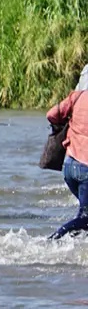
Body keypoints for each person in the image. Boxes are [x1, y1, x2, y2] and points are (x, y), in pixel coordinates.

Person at [45, 87, 88, 239]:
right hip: (86, 171)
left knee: (84, 216)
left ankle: (72, 249)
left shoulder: (77, 96)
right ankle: (52, 241)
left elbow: (51, 114)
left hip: (69, 166)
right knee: (86, 218)